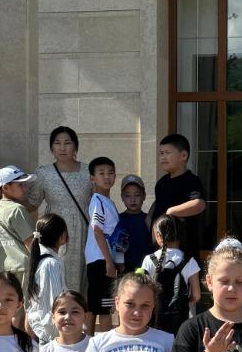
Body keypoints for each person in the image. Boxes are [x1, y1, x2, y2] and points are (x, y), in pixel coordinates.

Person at [23, 127, 93, 297]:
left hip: (83, 232)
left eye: (67, 143)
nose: (62, 148)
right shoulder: (43, 173)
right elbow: (32, 203)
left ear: (75, 146)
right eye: (57, 143)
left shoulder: (88, 172)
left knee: (82, 278)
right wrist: (9, 200)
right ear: (51, 148)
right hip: (53, 231)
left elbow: (98, 201)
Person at [152, 132, 208, 262]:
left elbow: (199, 204)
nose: (163, 157)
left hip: (185, 249)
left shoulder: (192, 181)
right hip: (160, 249)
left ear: (183, 155)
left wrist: (171, 212)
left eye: (167, 153)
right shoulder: (161, 183)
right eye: (161, 153)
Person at [141, 214, 201, 334]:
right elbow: (196, 295)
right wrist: (183, 302)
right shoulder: (189, 261)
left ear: (158, 236)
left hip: (155, 319)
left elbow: (142, 291)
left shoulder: (149, 259)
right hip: (181, 320)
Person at [85, 155, 120, 336]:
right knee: (105, 307)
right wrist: (109, 261)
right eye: (101, 173)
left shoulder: (108, 201)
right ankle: (106, 344)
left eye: (111, 173)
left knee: (94, 304)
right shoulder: (98, 200)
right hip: (100, 259)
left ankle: (88, 341)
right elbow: (98, 231)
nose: (107, 177)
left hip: (99, 258)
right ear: (92, 178)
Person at [24, 214, 68, 343]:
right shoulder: (50, 264)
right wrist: (55, 335)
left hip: (42, 330)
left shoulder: (43, 259)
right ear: (62, 236)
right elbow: (53, 302)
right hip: (47, 334)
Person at [0, 165, 35, 276]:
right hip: (24, 269)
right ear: (5, 187)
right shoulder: (17, 209)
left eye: (25, 184)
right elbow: (31, 243)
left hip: (5, 271)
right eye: (20, 185)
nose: (25, 189)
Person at [115, 174, 152, 270]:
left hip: (147, 268)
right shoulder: (119, 219)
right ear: (122, 197)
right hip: (126, 269)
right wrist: (121, 266)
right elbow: (118, 245)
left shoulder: (149, 219)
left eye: (137, 195)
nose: (133, 200)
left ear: (144, 196)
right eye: (128, 196)